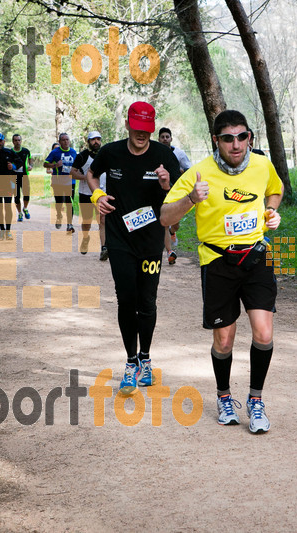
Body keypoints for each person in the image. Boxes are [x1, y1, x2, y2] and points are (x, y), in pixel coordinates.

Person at [160, 110, 282, 434]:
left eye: (242, 136)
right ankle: (224, 395)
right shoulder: (199, 173)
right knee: (224, 340)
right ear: (217, 140)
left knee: (264, 333)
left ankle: (256, 401)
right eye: (228, 138)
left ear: (250, 138)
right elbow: (164, 216)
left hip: (257, 257)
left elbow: (276, 189)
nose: (236, 144)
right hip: (217, 262)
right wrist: (190, 198)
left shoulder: (261, 164)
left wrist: (271, 210)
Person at [85, 101, 181, 394]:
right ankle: (130, 362)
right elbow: (91, 174)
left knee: (147, 302)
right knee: (126, 299)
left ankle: (146, 358)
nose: (142, 135)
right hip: (119, 238)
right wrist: (97, 195)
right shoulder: (110, 152)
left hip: (151, 239)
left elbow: (178, 195)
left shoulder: (164, 155)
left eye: (147, 130)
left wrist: (166, 185)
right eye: (137, 129)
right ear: (128, 125)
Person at [71, 131, 108, 260]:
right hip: (86, 193)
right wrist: (86, 178)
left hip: (102, 194)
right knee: (87, 221)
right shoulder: (82, 156)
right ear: (88, 141)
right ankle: (85, 238)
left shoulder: (106, 154)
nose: (96, 142)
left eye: (98, 139)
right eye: (93, 139)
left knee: (102, 221)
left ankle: (104, 248)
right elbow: (72, 172)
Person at [158, 127, 193, 265]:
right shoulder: (155, 152)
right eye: (162, 137)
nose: (165, 139)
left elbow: (189, 169)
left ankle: (173, 232)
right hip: (160, 191)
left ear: (171, 139)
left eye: (167, 136)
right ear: (159, 139)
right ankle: (169, 252)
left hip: (175, 191)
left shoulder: (179, 153)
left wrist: (181, 171)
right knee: (164, 223)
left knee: (175, 224)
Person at [44, 133, 77, 233]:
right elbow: (45, 164)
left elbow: (77, 165)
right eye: (63, 140)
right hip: (58, 181)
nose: (66, 141)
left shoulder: (73, 152)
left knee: (69, 202)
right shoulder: (55, 152)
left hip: (70, 181)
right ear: (60, 141)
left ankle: (69, 224)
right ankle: (59, 215)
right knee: (59, 201)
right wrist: (55, 165)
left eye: (67, 139)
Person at [10, 134, 33, 222]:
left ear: (21, 141)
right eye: (15, 140)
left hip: (24, 175)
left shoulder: (26, 151)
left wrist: (30, 165)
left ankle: (25, 208)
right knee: (16, 196)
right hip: (14, 177)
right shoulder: (10, 151)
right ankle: (19, 213)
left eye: (19, 140)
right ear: (13, 142)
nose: (17, 142)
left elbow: (30, 159)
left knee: (26, 194)